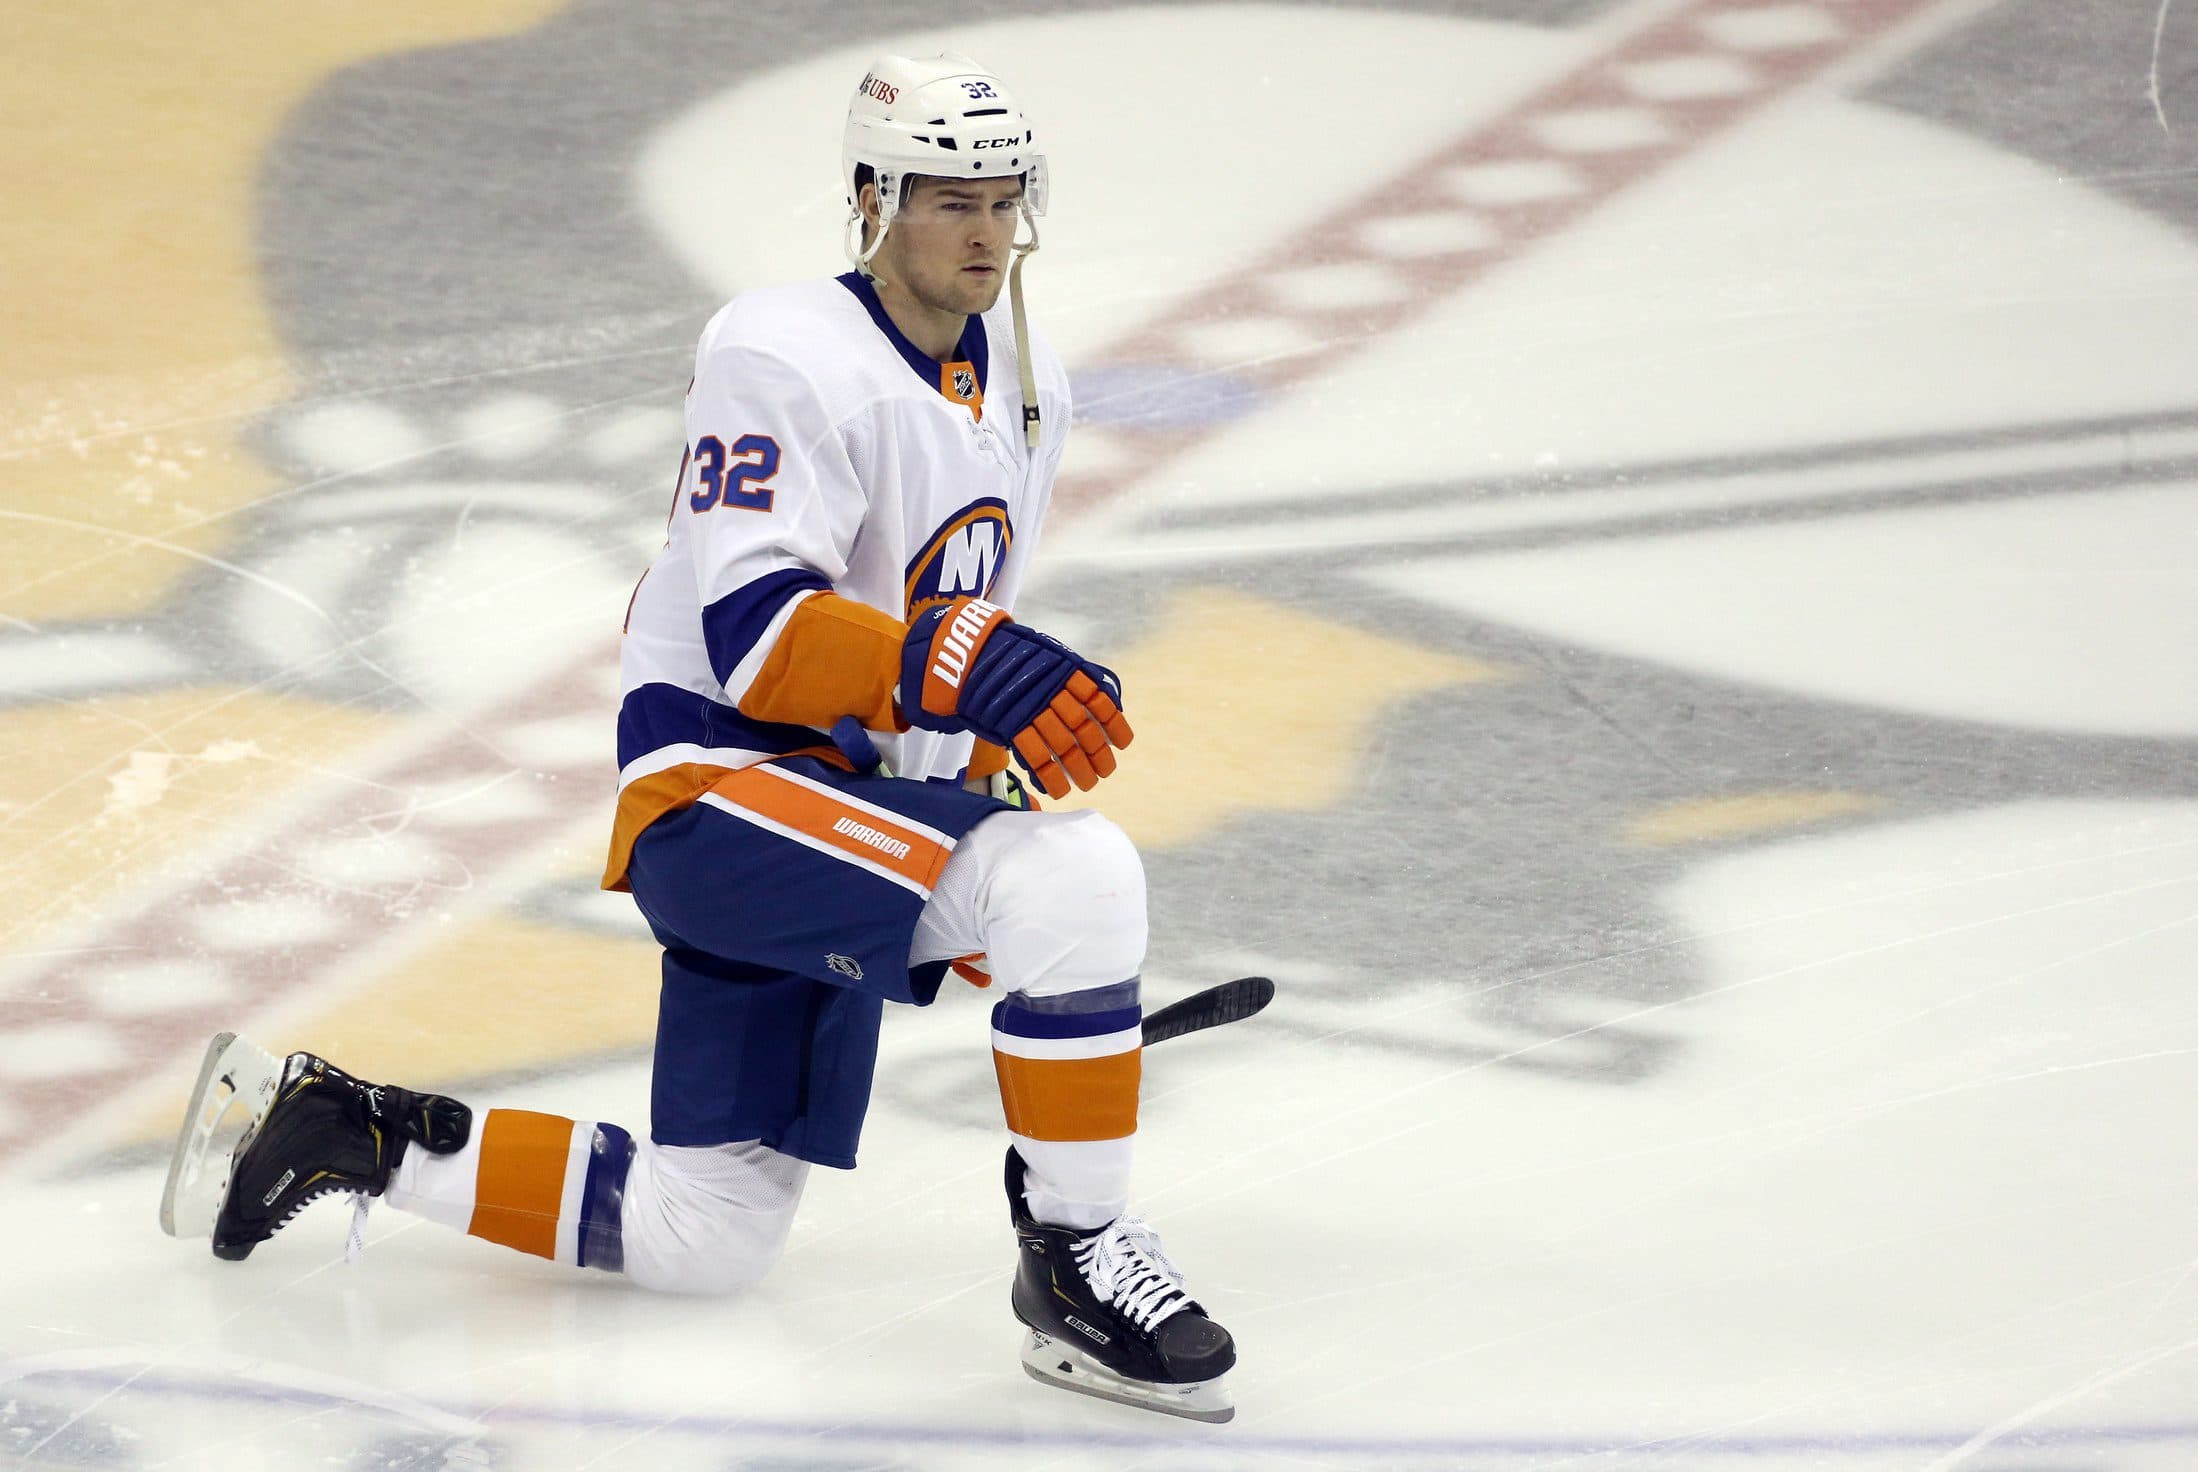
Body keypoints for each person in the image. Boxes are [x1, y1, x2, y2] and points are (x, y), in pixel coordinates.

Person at [165, 52, 1236, 1422]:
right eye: (944, 198)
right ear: (869, 199)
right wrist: (965, 702)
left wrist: (970, 800)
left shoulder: (1028, 386)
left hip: (849, 813)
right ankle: (1075, 1262)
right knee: (1075, 874)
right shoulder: (777, 347)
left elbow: (944, 622)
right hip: (721, 796)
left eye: (1000, 199)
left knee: (703, 1233)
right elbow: (761, 637)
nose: (980, 232)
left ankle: (342, 1130)